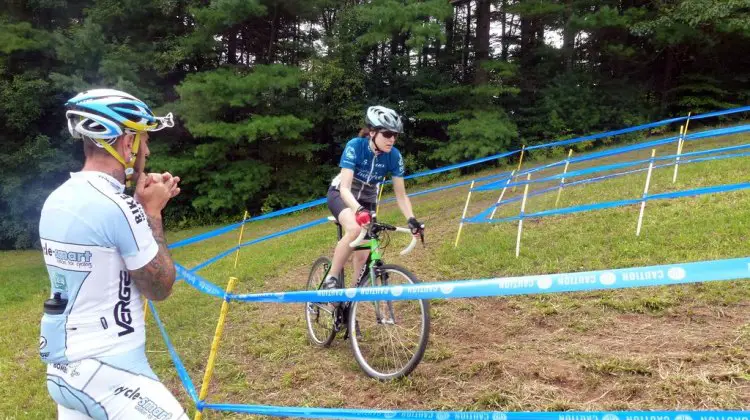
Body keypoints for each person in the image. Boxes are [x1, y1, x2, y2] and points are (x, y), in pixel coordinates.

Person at [38, 88, 188, 419]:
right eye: (143, 140)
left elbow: (105, 243)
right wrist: (152, 213)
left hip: (64, 368)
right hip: (108, 367)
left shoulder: (58, 198)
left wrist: (141, 202)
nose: (146, 150)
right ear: (126, 143)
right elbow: (159, 285)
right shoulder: (118, 207)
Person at [323, 105, 424, 290]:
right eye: (387, 134)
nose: (392, 139)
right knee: (354, 229)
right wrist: (358, 210)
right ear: (372, 132)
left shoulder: (394, 156)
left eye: (396, 135)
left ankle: (352, 299)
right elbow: (345, 188)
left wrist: (411, 219)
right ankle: (332, 277)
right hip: (342, 194)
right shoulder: (355, 146)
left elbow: (401, 195)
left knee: (363, 255)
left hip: (368, 198)